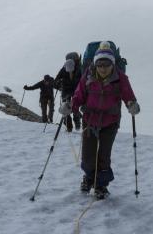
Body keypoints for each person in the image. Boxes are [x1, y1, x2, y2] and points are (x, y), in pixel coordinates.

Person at [60, 43, 140, 200]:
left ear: (113, 64)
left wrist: (132, 105)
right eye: (100, 64)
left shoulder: (120, 78)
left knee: (104, 155)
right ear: (95, 64)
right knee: (87, 156)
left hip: (110, 122)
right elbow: (79, 95)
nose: (103, 68)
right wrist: (70, 106)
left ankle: (101, 185)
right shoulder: (88, 76)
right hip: (90, 120)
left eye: (107, 64)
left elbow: (128, 96)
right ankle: (89, 178)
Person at [53, 52, 82, 132]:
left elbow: (55, 81)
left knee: (65, 108)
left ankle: (69, 127)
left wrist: (59, 84)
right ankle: (77, 122)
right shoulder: (80, 68)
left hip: (66, 91)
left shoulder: (64, 68)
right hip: (76, 90)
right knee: (75, 106)